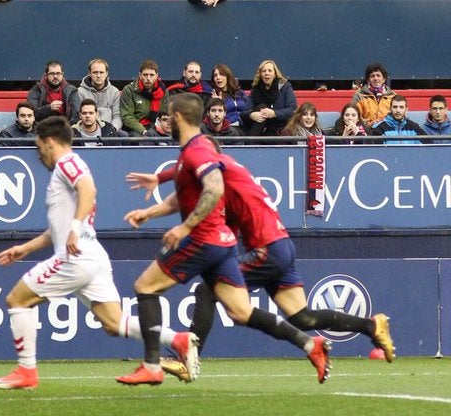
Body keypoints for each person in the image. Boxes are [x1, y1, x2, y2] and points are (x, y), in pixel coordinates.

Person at [126, 129, 394, 374]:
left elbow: (189, 173)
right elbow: (187, 178)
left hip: (267, 248)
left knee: (206, 291)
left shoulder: (218, 173)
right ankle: (371, 326)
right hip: (282, 245)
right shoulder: (229, 171)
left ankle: (188, 359)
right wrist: (159, 184)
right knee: (303, 316)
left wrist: (162, 193)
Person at [117, 92, 332, 386]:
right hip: (225, 245)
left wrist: (184, 228)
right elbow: (183, 194)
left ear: (178, 117)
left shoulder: (195, 151)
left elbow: (214, 187)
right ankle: (311, 345)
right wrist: (150, 210)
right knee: (241, 311)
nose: (166, 122)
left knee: (145, 287)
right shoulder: (198, 148)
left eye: (168, 116)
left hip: (203, 240)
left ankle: (152, 365)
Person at [0, 116, 189, 390]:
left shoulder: (68, 163)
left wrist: (73, 227)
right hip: (91, 254)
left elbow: (88, 188)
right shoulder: (66, 169)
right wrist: (24, 248)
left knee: (17, 300)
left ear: (49, 142)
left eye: (39, 147)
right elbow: (55, 232)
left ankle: (26, 371)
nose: (39, 155)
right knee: (114, 323)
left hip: (76, 256)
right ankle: (178, 340)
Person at [242, 59, 296, 137]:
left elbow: (292, 110)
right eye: (264, 71)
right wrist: (252, 115)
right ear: (260, 74)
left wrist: (274, 113)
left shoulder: (285, 87)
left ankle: (252, 142)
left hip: (280, 127)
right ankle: (251, 143)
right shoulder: (255, 90)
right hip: (261, 128)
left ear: (275, 74)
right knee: (261, 107)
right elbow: (244, 112)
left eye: (270, 71)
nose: (267, 73)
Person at [119, 59, 169, 137]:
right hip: (135, 130)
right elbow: (127, 117)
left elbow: (165, 114)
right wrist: (143, 131)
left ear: (157, 75)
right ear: (140, 75)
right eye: (145, 75)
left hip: (156, 128)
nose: (148, 78)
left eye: (151, 75)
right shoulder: (129, 90)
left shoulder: (163, 92)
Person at [71, 58, 123, 132]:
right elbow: (80, 116)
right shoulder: (80, 92)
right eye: (95, 72)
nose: (98, 76)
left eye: (101, 72)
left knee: (124, 136)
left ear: (106, 73)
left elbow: (117, 116)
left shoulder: (114, 92)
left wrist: (111, 130)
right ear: (89, 73)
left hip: (110, 130)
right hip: (87, 129)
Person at [349, 61, 396, 126]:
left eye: (378, 75)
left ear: (384, 79)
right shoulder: (359, 95)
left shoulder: (393, 96)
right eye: (372, 76)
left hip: (387, 131)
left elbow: (398, 116)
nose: (376, 78)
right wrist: (370, 124)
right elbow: (353, 116)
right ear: (368, 80)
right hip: (367, 131)